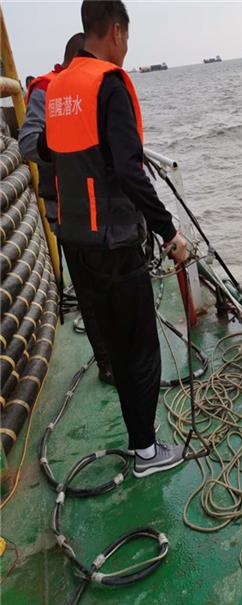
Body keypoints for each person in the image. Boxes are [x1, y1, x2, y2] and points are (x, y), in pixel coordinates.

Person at [41, 0, 188, 478]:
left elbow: (46, 149)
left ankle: (139, 441)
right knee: (140, 348)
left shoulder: (59, 85)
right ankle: (146, 452)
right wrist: (170, 232)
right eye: (127, 38)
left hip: (76, 245)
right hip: (115, 244)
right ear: (116, 31)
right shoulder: (107, 85)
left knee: (117, 348)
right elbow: (130, 169)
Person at [18, 33, 117, 386]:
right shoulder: (48, 92)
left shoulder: (100, 90)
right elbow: (29, 143)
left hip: (103, 209)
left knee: (114, 286)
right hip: (68, 211)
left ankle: (123, 355)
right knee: (89, 291)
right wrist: (65, 136)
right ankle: (107, 363)